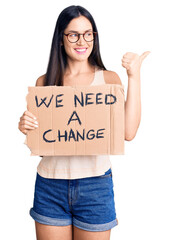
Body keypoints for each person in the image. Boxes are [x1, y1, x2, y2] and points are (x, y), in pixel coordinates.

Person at [18, 5, 150, 240]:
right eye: (74, 34)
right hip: (50, 186)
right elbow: (44, 147)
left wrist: (134, 76)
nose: (82, 41)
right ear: (61, 39)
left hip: (95, 187)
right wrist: (26, 127)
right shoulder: (44, 83)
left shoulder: (108, 80)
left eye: (88, 33)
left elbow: (128, 133)